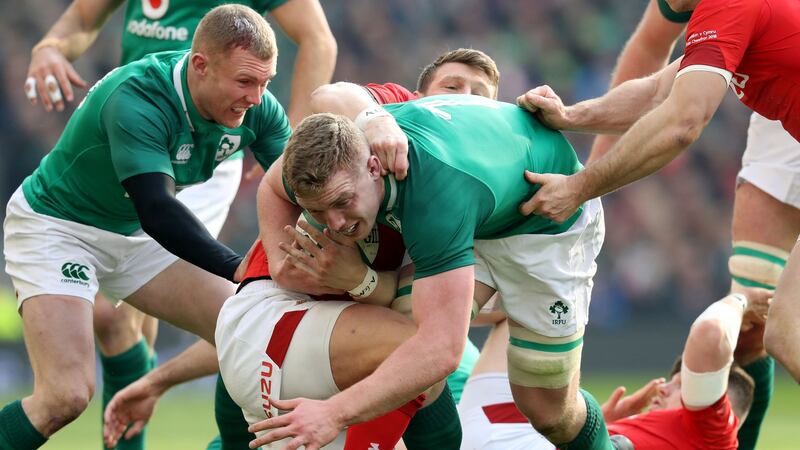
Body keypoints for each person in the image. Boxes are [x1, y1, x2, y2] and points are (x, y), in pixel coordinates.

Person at [104, 48, 504, 450]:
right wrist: (376, 118)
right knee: (425, 360)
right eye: (452, 87)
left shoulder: (469, 189)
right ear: (417, 98)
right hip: (277, 320)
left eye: (479, 94)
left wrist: (362, 281)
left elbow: (448, 308)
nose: (465, 98)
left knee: (426, 356)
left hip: (312, 343)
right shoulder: (390, 128)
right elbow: (328, 100)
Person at [23, 2, 336, 448]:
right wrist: (51, 45)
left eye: (263, 84)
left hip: (182, 168)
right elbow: (157, 211)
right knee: (66, 396)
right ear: (201, 64)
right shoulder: (134, 97)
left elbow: (318, 40)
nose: (257, 95)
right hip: (70, 220)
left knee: (249, 328)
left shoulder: (254, 106)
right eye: (247, 81)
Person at [250, 92, 607, 449]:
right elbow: (271, 185)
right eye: (320, 210)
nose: (336, 223)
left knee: (548, 413)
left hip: (547, 223)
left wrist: (333, 414)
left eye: (343, 203)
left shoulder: (431, 198)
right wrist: (279, 267)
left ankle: (607, 444)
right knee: (402, 346)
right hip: (477, 212)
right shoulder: (355, 146)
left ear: (375, 168)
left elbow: (442, 350)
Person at [458, 287, 770, 450]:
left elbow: (711, 334)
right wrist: (603, 428)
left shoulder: (714, 436)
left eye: (681, 387)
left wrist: (741, 302)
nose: (664, 387)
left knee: (549, 304)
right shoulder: (677, 437)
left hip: (508, 435)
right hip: (504, 428)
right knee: (517, 311)